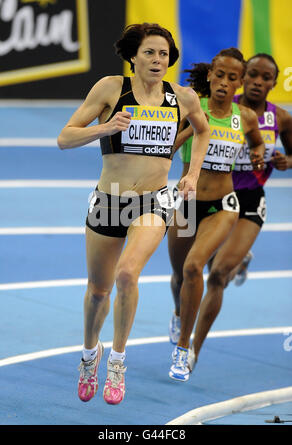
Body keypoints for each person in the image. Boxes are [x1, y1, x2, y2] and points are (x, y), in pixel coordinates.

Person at [57, 22, 210, 405]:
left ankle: (118, 361)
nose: (157, 60)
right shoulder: (111, 88)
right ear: (133, 57)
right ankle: (90, 354)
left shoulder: (183, 98)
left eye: (163, 54)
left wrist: (191, 174)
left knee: (128, 274)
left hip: (154, 201)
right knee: (98, 290)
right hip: (109, 200)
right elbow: (64, 137)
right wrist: (105, 127)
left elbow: (203, 130)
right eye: (149, 53)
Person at [179, 53, 292, 372]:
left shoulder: (280, 118)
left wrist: (286, 161)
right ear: (243, 78)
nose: (258, 81)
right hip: (213, 198)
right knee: (195, 267)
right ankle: (236, 257)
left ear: (273, 82)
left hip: (250, 201)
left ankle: (192, 351)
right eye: (252, 75)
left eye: (265, 77)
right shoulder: (225, 106)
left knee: (217, 276)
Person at [167, 48, 265, 382]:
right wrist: (195, 129)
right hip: (186, 203)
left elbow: (256, 142)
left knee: (196, 267)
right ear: (209, 75)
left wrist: (257, 154)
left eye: (232, 77)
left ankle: (184, 350)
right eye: (219, 75)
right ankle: (179, 312)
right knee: (179, 275)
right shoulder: (190, 107)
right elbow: (165, 151)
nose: (224, 82)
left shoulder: (246, 117)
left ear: (240, 83)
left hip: (223, 205)